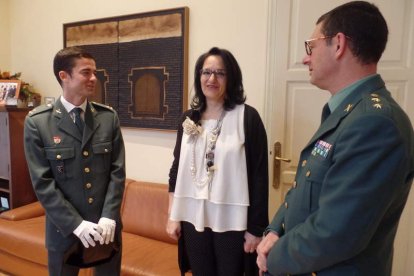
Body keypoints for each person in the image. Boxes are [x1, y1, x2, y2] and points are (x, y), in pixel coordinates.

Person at [257, 1, 414, 276]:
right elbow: (303, 185)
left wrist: (273, 257)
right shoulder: (345, 112)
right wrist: (274, 230)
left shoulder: (375, 123)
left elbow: (336, 233)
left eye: (311, 46)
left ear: (338, 44)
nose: (306, 58)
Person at [24, 46, 126, 276]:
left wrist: (110, 215)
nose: (93, 78)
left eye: (95, 72)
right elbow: (43, 183)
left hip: (105, 229)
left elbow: (117, 171)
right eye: (86, 72)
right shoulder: (39, 123)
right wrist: (76, 224)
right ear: (64, 76)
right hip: (64, 232)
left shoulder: (107, 118)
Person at [167, 47, 269, 276]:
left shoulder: (247, 117)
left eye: (220, 73)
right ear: (199, 76)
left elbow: (260, 176)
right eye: (206, 72)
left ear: (231, 78)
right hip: (193, 218)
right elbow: (176, 170)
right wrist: (172, 216)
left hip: (231, 220)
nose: (211, 79)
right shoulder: (187, 118)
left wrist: (256, 229)